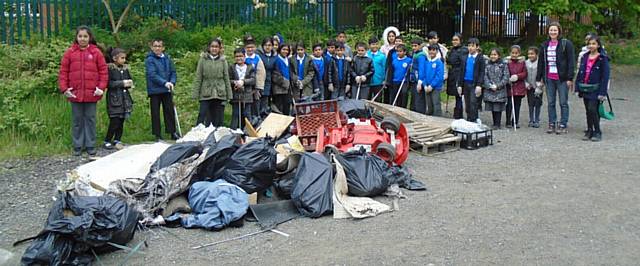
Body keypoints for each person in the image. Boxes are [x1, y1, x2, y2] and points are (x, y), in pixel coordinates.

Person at [58, 25, 108, 156]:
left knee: (90, 119)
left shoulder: (96, 53)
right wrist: (64, 89)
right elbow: (63, 72)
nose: (82, 39)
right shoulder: (69, 53)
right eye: (80, 36)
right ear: (76, 37)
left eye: (85, 36)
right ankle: (78, 145)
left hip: (92, 93)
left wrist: (101, 87)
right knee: (77, 120)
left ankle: (91, 145)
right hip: (75, 94)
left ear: (90, 37)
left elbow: (104, 72)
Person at [536, 22, 576, 134]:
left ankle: (563, 123)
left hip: (562, 78)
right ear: (548, 31)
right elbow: (541, 62)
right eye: (551, 30)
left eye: (555, 30)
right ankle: (552, 123)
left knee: (563, 102)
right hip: (549, 78)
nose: (553, 32)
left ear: (559, 31)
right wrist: (539, 78)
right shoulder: (544, 45)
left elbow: (571, 61)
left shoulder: (566, 44)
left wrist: (570, 78)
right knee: (551, 102)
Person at [576, 35, 609, 141]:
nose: (591, 45)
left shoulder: (602, 58)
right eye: (589, 44)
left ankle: (597, 131)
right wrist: (577, 88)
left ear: (598, 45)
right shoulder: (584, 56)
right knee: (587, 110)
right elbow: (580, 72)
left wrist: (603, 92)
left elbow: (605, 76)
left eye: (593, 43)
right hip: (585, 87)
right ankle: (589, 130)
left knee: (592, 109)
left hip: (596, 88)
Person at [145, 38, 180, 141]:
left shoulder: (167, 59)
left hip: (167, 89)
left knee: (169, 111)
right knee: (155, 112)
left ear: (163, 48)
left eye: (159, 46)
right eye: (155, 46)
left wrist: (172, 82)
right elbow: (152, 75)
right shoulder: (150, 60)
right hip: (155, 90)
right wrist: (164, 83)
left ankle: (172, 132)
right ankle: (157, 134)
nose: (157, 48)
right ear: (152, 47)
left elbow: (173, 72)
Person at [193, 38, 232, 127]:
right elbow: (198, 77)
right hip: (206, 92)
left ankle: (217, 138)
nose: (214, 49)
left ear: (219, 48)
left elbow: (226, 78)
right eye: (212, 46)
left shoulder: (223, 60)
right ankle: (198, 135)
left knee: (218, 118)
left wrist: (229, 95)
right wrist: (195, 94)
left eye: (216, 47)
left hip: (220, 92)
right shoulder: (203, 60)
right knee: (202, 115)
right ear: (209, 48)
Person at [103, 48, 134, 150]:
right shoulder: (110, 69)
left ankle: (117, 139)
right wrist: (122, 83)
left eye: (125, 58)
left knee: (121, 120)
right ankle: (107, 140)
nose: (124, 60)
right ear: (114, 58)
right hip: (114, 99)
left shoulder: (125, 69)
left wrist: (129, 83)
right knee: (114, 120)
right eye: (122, 58)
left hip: (125, 99)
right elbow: (108, 83)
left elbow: (129, 80)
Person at [457, 38, 485, 123]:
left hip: (474, 83)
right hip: (465, 83)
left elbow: (482, 72)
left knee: (473, 102)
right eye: (469, 46)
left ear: (477, 47)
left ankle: (474, 119)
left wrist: (479, 85)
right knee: (467, 103)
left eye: (472, 46)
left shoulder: (480, 58)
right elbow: (461, 71)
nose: (470, 48)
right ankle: (469, 118)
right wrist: (459, 85)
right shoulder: (464, 57)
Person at [483, 48, 510, 129]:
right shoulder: (487, 65)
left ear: (499, 56)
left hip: (499, 90)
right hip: (490, 89)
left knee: (498, 107)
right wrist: (489, 85)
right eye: (491, 54)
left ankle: (497, 123)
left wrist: (498, 86)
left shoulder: (503, 65)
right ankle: (494, 123)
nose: (493, 56)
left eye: (495, 54)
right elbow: (484, 76)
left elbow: (506, 77)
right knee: (492, 106)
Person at [229, 48, 256, 130]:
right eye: (237, 56)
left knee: (247, 114)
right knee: (236, 114)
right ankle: (233, 132)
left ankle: (248, 132)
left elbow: (253, 79)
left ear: (244, 57)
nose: (239, 58)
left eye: (241, 56)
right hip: (236, 95)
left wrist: (243, 82)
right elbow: (228, 79)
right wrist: (235, 82)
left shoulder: (250, 67)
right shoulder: (232, 67)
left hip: (247, 95)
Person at [243, 35, 266, 120]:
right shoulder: (242, 57)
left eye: (252, 47)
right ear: (245, 48)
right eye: (248, 47)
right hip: (244, 87)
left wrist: (258, 88)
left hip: (255, 87)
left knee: (255, 107)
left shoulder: (257, 58)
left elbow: (261, 73)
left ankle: (255, 123)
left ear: (255, 48)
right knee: (245, 109)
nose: (250, 49)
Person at [505, 45, 528, 128]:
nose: (514, 55)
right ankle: (508, 121)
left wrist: (518, 76)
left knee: (517, 105)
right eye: (513, 53)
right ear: (510, 53)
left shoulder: (522, 62)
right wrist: (508, 79)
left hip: (519, 87)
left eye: (516, 53)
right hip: (510, 86)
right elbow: (505, 71)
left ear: (519, 53)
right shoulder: (507, 62)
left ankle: (515, 121)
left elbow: (525, 73)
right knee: (509, 105)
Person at [446, 33, 468, 119]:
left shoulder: (463, 50)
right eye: (453, 40)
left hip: (459, 73)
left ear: (460, 40)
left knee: (459, 95)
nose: (454, 42)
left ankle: (459, 114)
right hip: (452, 73)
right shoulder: (452, 50)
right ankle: (457, 113)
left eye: (456, 40)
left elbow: (463, 63)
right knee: (456, 95)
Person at [419, 44, 445, 116]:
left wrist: (432, 86)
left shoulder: (439, 62)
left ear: (437, 51)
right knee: (429, 104)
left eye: (433, 50)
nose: (431, 52)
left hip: (435, 87)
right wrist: (425, 85)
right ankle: (430, 119)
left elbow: (439, 76)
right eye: (430, 50)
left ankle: (438, 119)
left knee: (436, 103)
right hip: (427, 87)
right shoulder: (427, 62)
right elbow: (423, 74)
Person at [257, 37, 277, 116]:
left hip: (269, 83)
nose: (267, 47)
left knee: (265, 106)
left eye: (269, 45)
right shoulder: (258, 55)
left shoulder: (275, 56)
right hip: (259, 83)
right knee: (257, 105)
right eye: (265, 45)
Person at [272, 43, 293, 115]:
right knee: (279, 109)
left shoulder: (288, 60)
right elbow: (275, 76)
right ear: (279, 50)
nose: (285, 51)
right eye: (283, 49)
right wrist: (286, 83)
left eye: (287, 50)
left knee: (287, 107)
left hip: (288, 89)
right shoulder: (276, 60)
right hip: (279, 89)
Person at [525, 46, 543, 128]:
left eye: (532, 54)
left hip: (538, 87)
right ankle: (531, 119)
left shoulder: (540, 62)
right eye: (529, 54)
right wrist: (526, 84)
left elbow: (543, 74)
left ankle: (537, 119)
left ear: (536, 54)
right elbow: (524, 74)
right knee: (530, 103)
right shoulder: (526, 62)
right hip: (529, 86)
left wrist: (540, 86)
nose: (530, 55)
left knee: (538, 103)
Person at [409, 38, 426, 113]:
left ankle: (420, 115)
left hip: (418, 80)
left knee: (419, 100)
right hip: (413, 80)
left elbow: (421, 69)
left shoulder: (421, 55)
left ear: (420, 46)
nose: (413, 48)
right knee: (413, 99)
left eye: (415, 46)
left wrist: (420, 81)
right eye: (412, 46)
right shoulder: (414, 54)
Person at [367, 37, 386, 101]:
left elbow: (384, 68)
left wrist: (384, 79)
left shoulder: (382, 56)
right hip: (368, 82)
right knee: (367, 100)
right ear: (369, 45)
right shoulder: (366, 54)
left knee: (378, 100)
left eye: (376, 44)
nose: (375, 46)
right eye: (373, 44)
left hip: (378, 82)